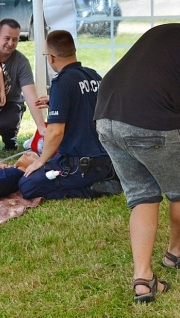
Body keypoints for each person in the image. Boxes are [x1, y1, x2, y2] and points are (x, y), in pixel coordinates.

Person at [94, 11, 180, 304]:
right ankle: (177, 253)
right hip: (150, 119)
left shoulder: (168, 37)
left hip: (106, 117)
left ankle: (143, 279)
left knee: (143, 195)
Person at [18, 30, 119, 200]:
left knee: (27, 185)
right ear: (73, 50)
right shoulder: (93, 75)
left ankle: (92, 189)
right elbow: (89, 106)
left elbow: (55, 132)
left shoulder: (62, 82)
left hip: (80, 165)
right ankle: (106, 180)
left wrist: (41, 160)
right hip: (107, 161)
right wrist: (56, 102)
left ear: (51, 57)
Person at [0, 18, 46, 151]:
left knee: (7, 122)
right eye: (7, 38)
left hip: (10, 103)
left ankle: (10, 140)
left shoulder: (21, 62)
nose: (10, 43)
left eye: (15, 39)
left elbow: (31, 95)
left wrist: (41, 126)